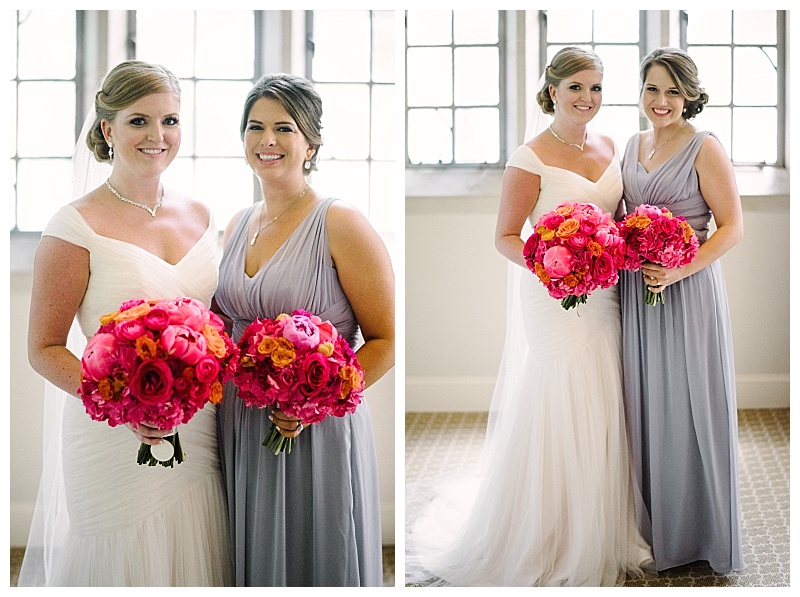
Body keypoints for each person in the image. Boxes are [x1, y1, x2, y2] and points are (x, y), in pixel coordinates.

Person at [405, 47, 652, 587]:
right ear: (553, 90)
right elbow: (505, 237)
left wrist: (610, 254)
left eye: (596, 89)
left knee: (604, 389)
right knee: (559, 393)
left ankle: (603, 521)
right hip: (552, 296)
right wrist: (555, 264)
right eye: (576, 88)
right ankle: (549, 529)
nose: (587, 99)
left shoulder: (612, 147)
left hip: (605, 295)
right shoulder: (529, 157)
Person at [19, 60, 233, 586]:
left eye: (171, 120)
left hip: (198, 427)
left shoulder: (205, 216)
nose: (158, 136)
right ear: (107, 129)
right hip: (112, 431)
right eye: (139, 121)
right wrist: (125, 404)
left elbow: (220, 325)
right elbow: (44, 347)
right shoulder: (74, 225)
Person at [213, 73, 395, 586]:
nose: (267, 141)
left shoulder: (340, 222)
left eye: (284, 128)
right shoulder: (236, 225)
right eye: (255, 127)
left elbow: (386, 338)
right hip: (243, 419)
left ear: (310, 142)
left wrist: (310, 403)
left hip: (315, 424)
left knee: (314, 546)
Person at [619, 47, 745, 574]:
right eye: (653, 88)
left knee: (689, 402)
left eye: (673, 91)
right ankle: (653, 527)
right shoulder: (631, 143)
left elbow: (732, 227)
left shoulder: (704, 148)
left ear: (690, 96)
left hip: (686, 291)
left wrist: (678, 269)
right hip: (637, 295)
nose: (662, 100)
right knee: (645, 402)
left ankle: (699, 531)